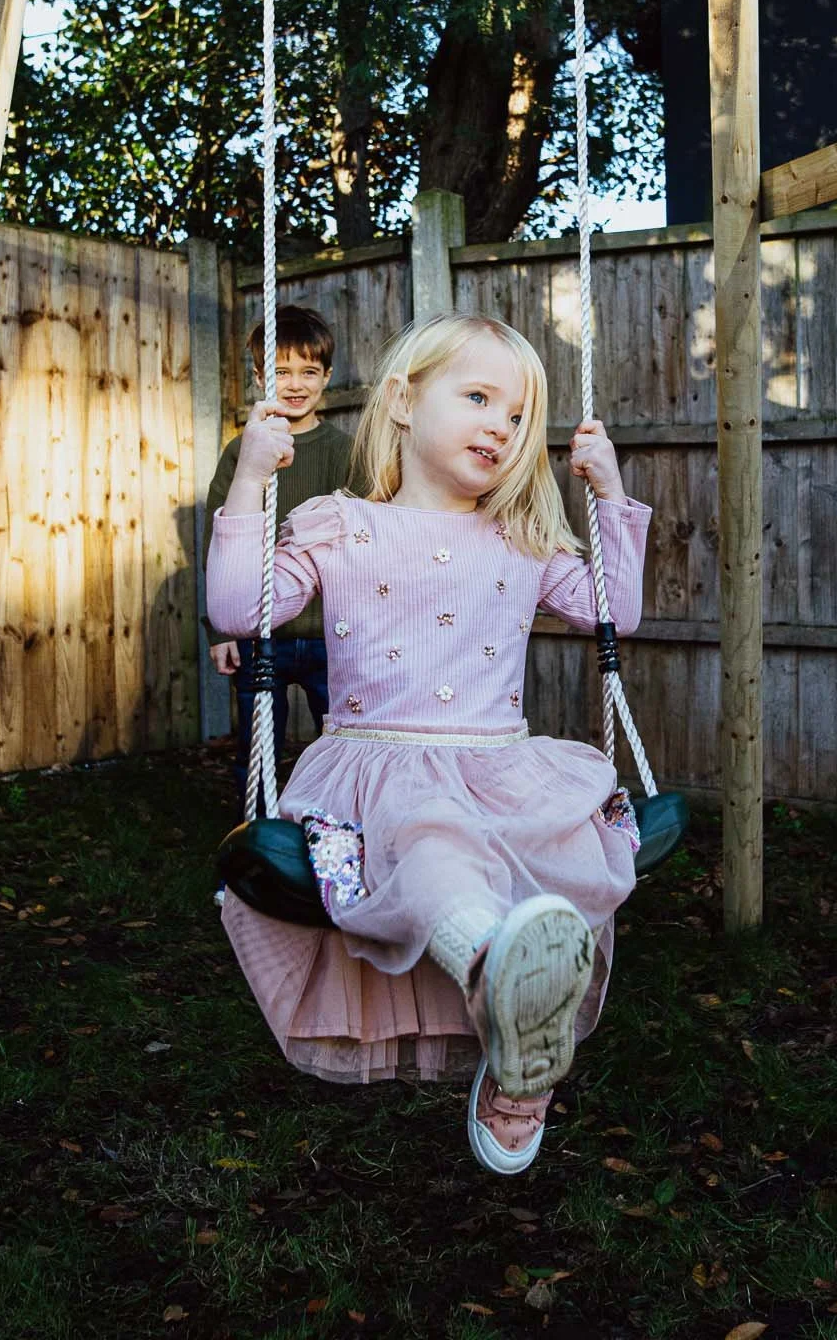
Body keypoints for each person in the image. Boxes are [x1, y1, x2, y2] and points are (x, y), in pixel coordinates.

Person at [206, 312, 649, 1176]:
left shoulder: (521, 536)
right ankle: (500, 974)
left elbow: (612, 613)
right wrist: (250, 483)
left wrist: (608, 493)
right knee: (430, 839)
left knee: (562, 858)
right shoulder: (339, 524)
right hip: (380, 768)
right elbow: (236, 609)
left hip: (501, 766)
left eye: (518, 415)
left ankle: (519, 1059)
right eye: (479, 397)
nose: (500, 425)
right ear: (405, 401)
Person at [204, 305, 353, 823]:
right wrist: (219, 630)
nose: (295, 384)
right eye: (282, 371)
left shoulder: (343, 451)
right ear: (260, 376)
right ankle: (259, 847)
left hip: (332, 634)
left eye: (309, 372)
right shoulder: (241, 453)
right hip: (259, 633)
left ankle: (337, 841)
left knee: (344, 746)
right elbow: (218, 536)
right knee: (257, 753)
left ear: (327, 377)